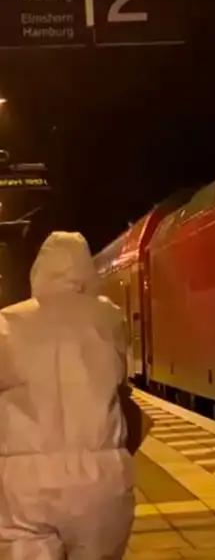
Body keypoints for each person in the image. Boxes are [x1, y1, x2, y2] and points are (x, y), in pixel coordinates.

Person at [0, 232, 136, 559]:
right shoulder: (109, 318)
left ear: (38, 272)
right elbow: (120, 378)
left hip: (23, 486)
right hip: (101, 481)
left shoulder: (6, 322)